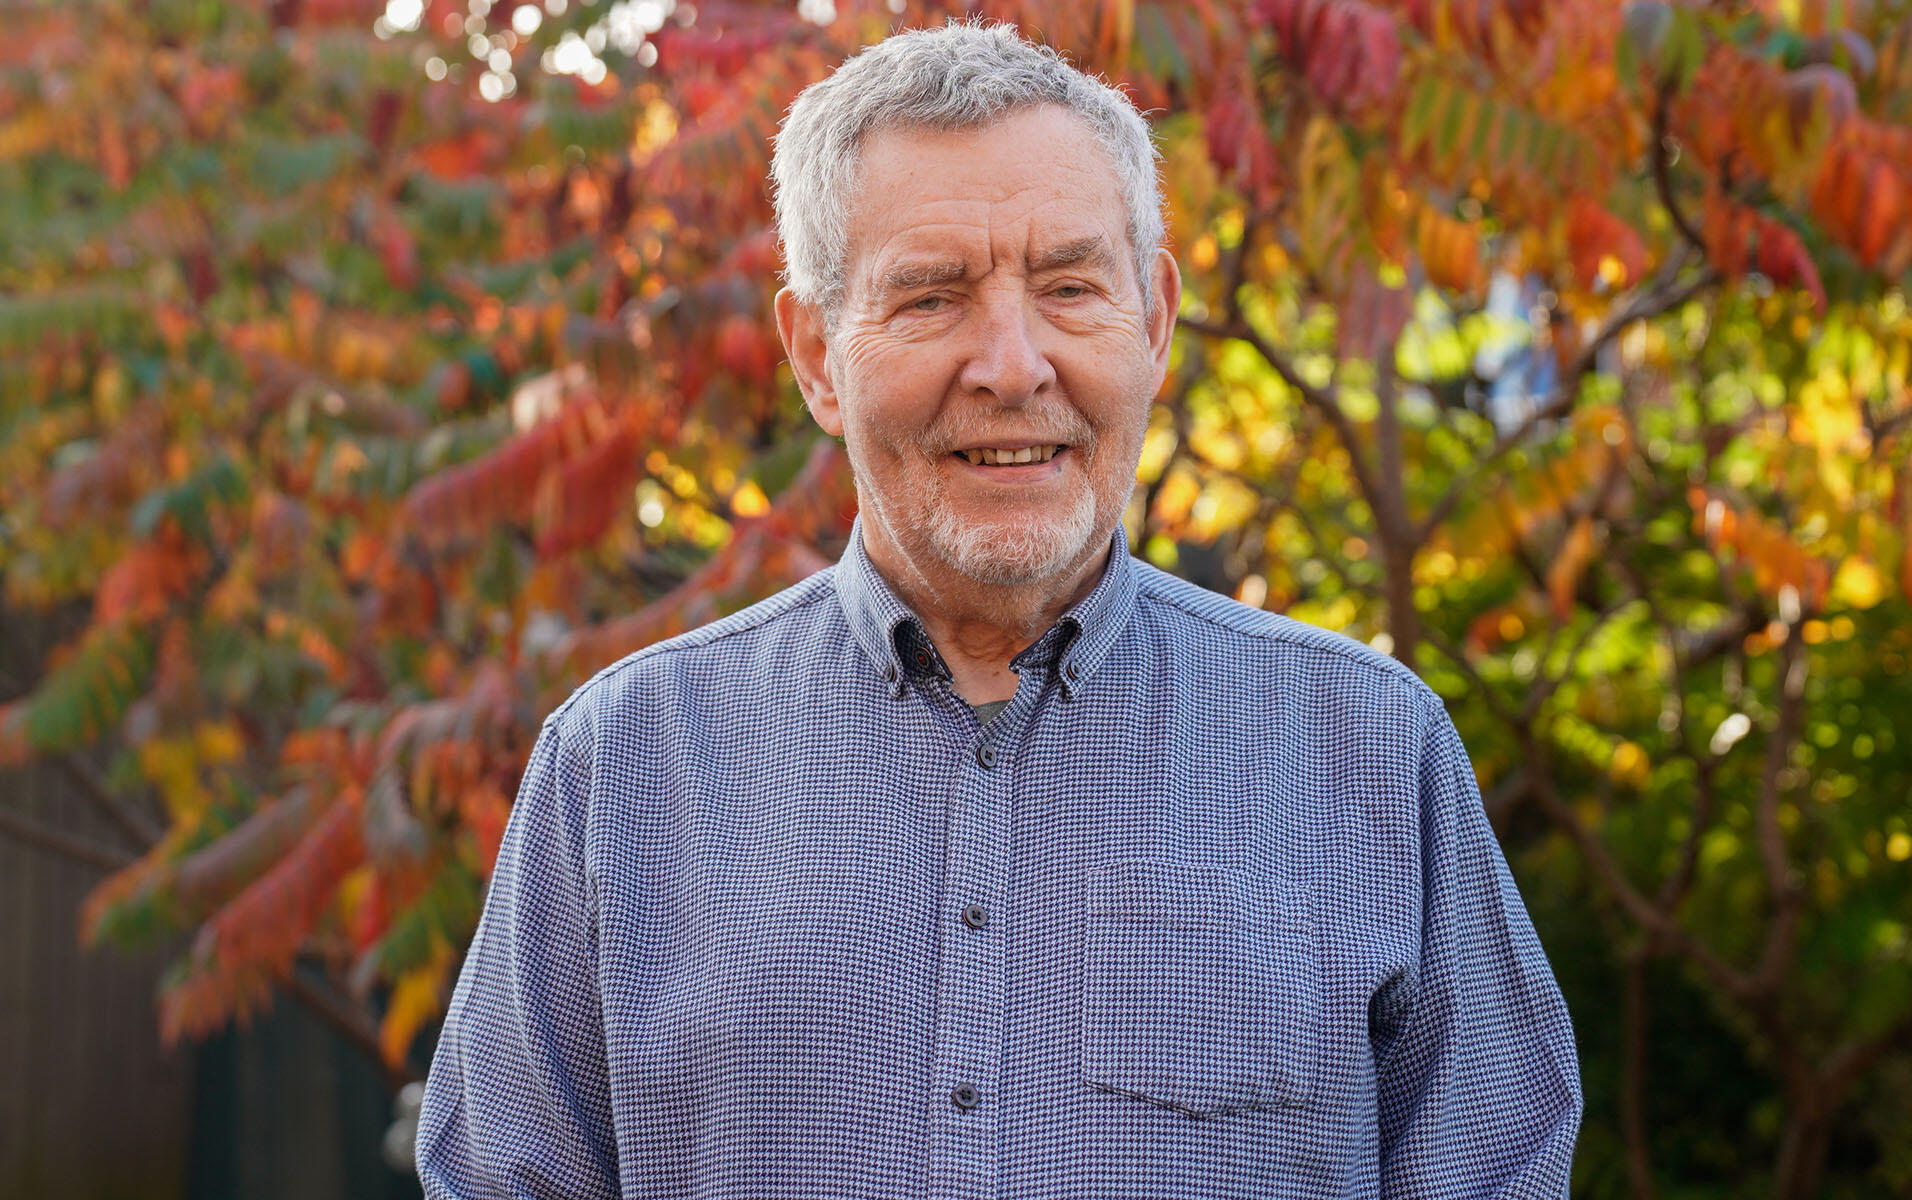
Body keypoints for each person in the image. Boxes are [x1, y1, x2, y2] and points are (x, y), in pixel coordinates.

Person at [417, 22, 1580, 1199]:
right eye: (930, 298)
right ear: (817, 356)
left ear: (1157, 322)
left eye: (1071, 287)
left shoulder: (1370, 748)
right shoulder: (622, 769)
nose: (1013, 364)